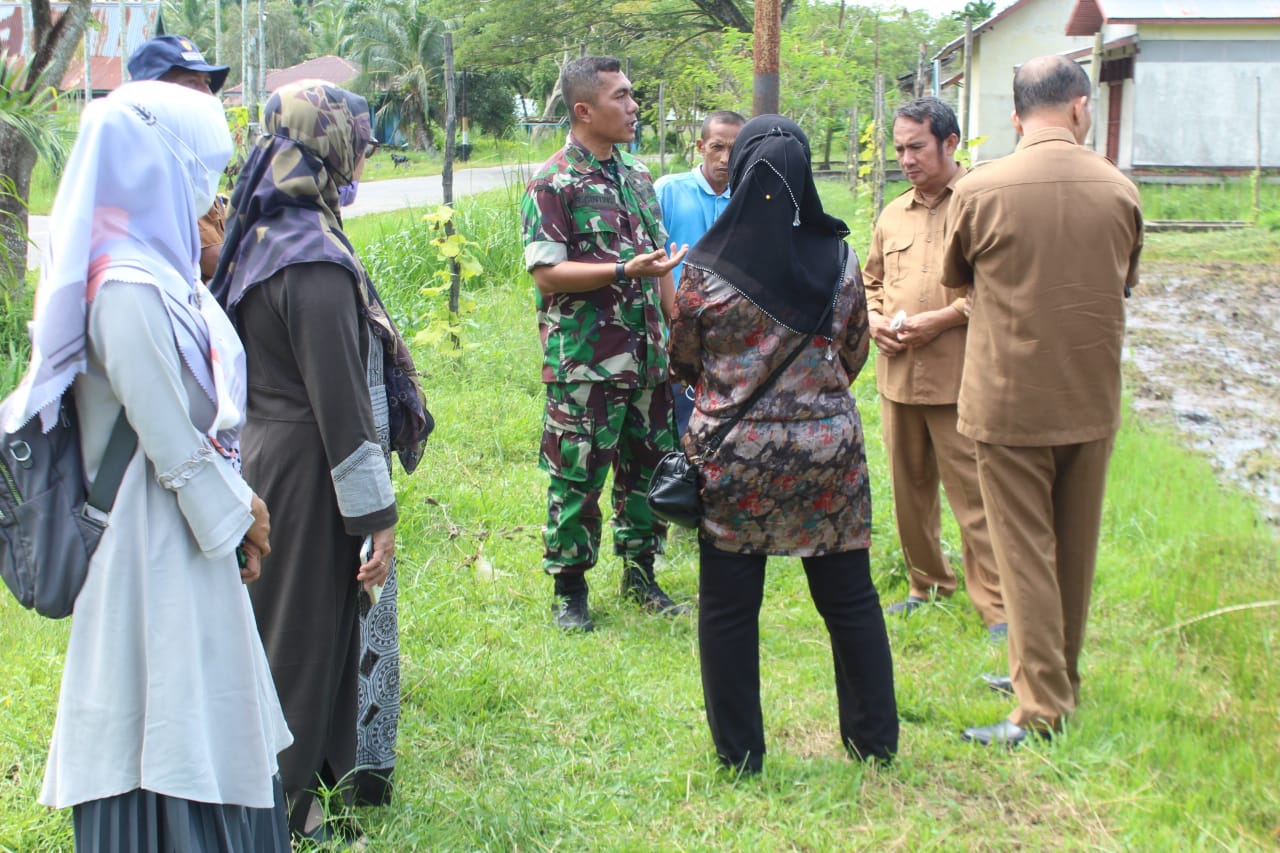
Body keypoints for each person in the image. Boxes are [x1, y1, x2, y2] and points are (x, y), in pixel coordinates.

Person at [2, 80, 292, 850]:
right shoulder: (126, 288)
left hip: (187, 537)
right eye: (203, 169)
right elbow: (171, 442)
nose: (213, 191)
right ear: (159, 169)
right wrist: (245, 519)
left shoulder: (160, 272)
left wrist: (238, 512)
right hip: (150, 545)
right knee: (160, 718)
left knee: (197, 711)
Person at [670, 115, 899, 774]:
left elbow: (685, 358)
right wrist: (813, 399)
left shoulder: (707, 265)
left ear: (741, 171)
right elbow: (855, 349)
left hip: (734, 460)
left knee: (729, 606)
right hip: (829, 453)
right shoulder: (841, 256)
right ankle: (874, 741)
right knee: (850, 598)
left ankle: (740, 754)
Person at [211, 81, 401, 841]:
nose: (363, 154)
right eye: (358, 139)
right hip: (308, 465)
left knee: (293, 627)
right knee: (298, 637)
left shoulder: (260, 231)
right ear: (333, 144)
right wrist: (377, 517)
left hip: (268, 451)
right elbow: (341, 403)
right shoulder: (313, 256)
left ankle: (308, 791)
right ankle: (281, 809)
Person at [941, 56, 1143, 746]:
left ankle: (1042, 706)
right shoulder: (1120, 189)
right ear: (1081, 108)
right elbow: (1124, 282)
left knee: (1024, 551)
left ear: (1016, 115)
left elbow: (957, 278)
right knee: (1073, 549)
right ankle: (1053, 676)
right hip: (1090, 395)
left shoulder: (980, 189)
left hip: (1007, 398)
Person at [521, 55, 690, 632]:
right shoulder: (553, 181)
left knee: (647, 471)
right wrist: (622, 271)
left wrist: (676, 325)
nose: (634, 106)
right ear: (584, 110)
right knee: (577, 478)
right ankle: (570, 591)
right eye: (621, 96)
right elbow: (546, 272)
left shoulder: (639, 176)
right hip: (586, 365)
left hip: (648, 360)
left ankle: (642, 575)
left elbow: (661, 258)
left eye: (633, 95)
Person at [863, 97, 1006, 638]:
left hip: (959, 377)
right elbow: (872, 280)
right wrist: (875, 319)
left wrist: (941, 320)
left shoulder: (980, 203)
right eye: (899, 148)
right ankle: (927, 584)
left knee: (973, 494)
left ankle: (996, 606)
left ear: (949, 142)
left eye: (916, 146)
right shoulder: (892, 212)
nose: (906, 158)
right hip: (899, 376)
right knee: (909, 489)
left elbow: (993, 287)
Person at [655, 109, 745, 435]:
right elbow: (652, 263)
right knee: (680, 428)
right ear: (700, 146)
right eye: (717, 147)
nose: (725, 158)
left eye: (735, 149)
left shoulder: (748, 198)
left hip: (732, 338)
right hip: (677, 334)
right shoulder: (668, 191)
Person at [126, 34, 231, 284]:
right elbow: (215, 260)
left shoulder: (194, 160)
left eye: (206, 83)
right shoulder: (161, 170)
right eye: (191, 82)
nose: (208, 94)